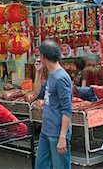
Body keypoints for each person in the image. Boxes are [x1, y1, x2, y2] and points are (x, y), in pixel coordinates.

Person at [33, 40, 72, 169]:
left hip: (57, 133)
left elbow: (67, 110)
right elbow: (37, 94)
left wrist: (62, 137)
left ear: (43, 57)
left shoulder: (61, 78)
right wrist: (38, 73)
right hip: (46, 130)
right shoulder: (51, 75)